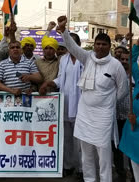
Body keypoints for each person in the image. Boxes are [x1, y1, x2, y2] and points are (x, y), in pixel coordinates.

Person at [57, 16, 128, 182]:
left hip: (103, 117)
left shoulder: (116, 65)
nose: (100, 47)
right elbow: (72, 47)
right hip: (84, 115)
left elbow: (123, 90)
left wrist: (107, 102)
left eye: (104, 44)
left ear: (109, 47)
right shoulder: (88, 58)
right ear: (94, 45)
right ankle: (89, 179)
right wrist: (64, 31)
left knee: (104, 155)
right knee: (86, 153)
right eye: (98, 44)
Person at [39, 32, 83, 177]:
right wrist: (49, 83)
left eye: (73, 43)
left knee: (80, 140)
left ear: (78, 45)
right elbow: (59, 78)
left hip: (81, 104)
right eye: (68, 43)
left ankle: (81, 169)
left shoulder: (85, 59)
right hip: (65, 102)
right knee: (66, 138)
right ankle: (68, 165)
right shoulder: (63, 59)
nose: (70, 46)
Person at [113, 48, 132, 182]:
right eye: (122, 59)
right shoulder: (114, 74)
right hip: (115, 116)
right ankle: (120, 173)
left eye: (127, 59)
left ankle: (133, 173)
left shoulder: (136, 76)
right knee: (117, 147)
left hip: (130, 118)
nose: (124, 62)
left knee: (131, 149)